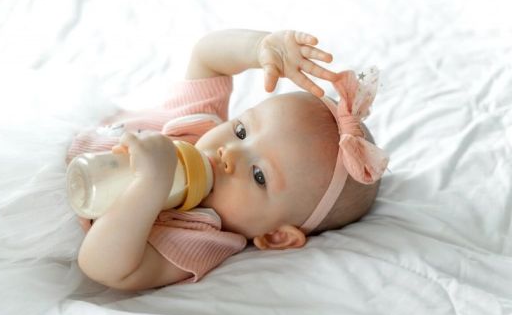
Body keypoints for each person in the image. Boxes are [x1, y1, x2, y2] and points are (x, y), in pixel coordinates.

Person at [66, 29, 389, 291]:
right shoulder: (197, 125)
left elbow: (105, 268)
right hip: (54, 138)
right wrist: (260, 47)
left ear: (275, 236)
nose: (230, 152)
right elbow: (207, 57)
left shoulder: (202, 236)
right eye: (241, 130)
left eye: (259, 175)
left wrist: (150, 184)